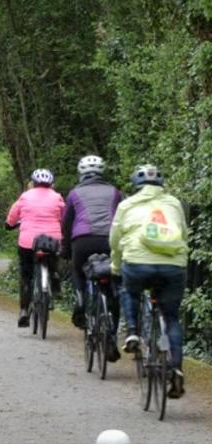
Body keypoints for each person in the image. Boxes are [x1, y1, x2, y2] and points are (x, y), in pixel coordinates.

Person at [109, 164, 189, 398]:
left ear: (136, 184)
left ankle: (133, 332)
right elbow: (182, 233)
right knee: (171, 317)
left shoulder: (126, 205)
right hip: (173, 265)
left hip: (137, 263)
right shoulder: (173, 203)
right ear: (161, 185)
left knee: (129, 289)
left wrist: (116, 264)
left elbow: (115, 239)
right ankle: (176, 366)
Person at [62, 155, 123, 361]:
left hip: (82, 241)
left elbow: (67, 223)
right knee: (112, 281)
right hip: (109, 240)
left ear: (81, 174)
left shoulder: (74, 193)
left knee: (78, 270)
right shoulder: (115, 191)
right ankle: (111, 336)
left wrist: (65, 250)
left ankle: (80, 302)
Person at [6, 169, 65, 327]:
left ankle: (24, 311)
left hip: (28, 242)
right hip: (52, 240)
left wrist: (10, 225)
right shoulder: (57, 197)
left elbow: (12, 218)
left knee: (26, 276)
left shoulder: (25, 196)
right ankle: (55, 280)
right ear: (51, 184)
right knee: (52, 261)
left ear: (32, 183)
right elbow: (64, 217)